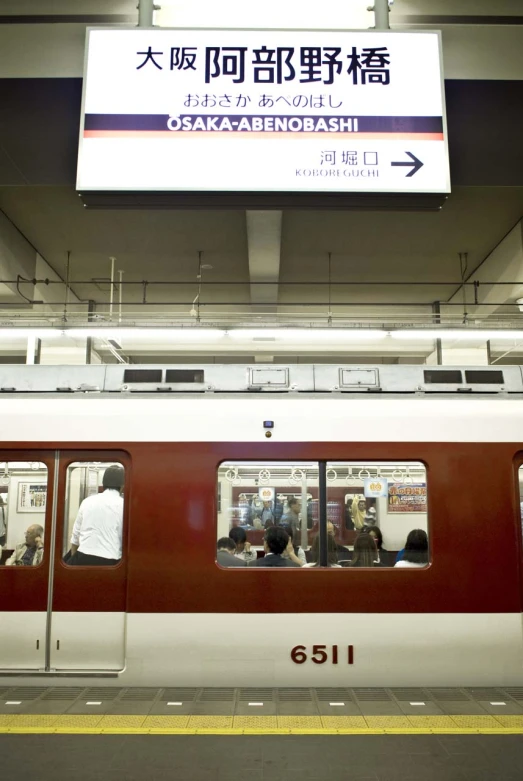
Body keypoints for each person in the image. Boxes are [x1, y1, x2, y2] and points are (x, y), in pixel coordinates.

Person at [69, 465, 124, 566]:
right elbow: (123, 536)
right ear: (122, 485)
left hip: (83, 557)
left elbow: (76, 535)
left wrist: (73, 559)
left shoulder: (87, 501)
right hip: (110, 560)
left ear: (103, 483)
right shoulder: (123, 505)